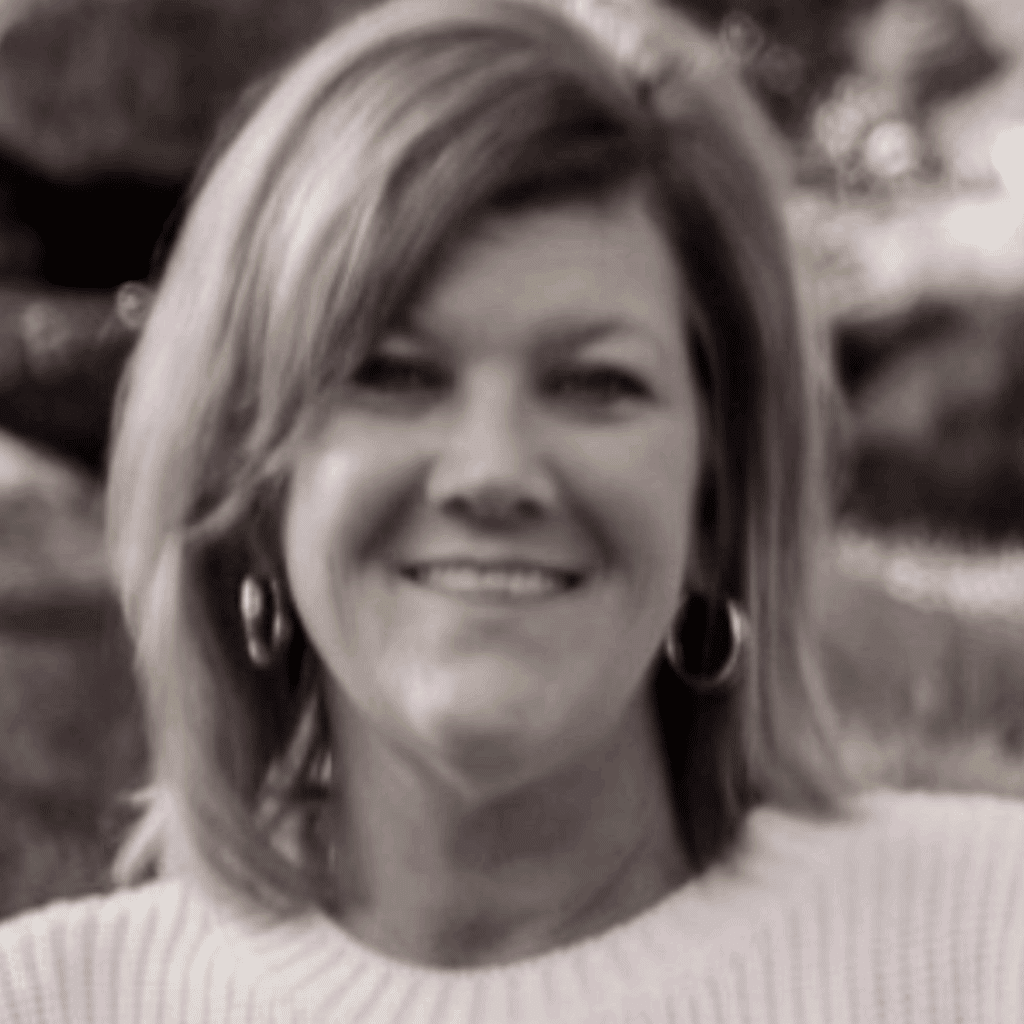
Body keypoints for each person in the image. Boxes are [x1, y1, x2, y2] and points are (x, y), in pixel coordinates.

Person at [1, 0, 1022, 1019]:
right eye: (395, 375)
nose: (492, 471)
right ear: (249, 482)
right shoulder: (53, 998)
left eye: (594, 383)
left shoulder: (982, 942)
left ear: (716, 494)